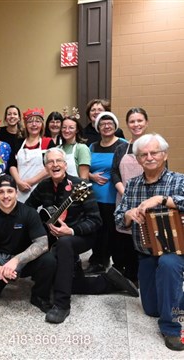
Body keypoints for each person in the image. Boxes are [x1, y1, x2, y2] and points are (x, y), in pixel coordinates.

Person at [25, 148, 138, 324]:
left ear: (65, 164)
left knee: (65, 244)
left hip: (81, 236)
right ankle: (108, 282)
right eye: (50, 162)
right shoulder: (43, 186)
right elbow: (29, 209)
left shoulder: (80, 186)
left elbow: (96, 220)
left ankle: (62, 305)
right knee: (65, 279)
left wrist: (71, 231)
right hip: (54, 237)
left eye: (58, 161)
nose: (55, 165)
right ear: (46, 167)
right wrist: (40, 227)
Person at [114, 133, 184, 351]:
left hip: (174, 251)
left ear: (164, 155)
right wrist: (129, 214)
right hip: (145, 251)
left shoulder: (178, 179)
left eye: (154, 152)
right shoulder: (132, 184)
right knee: (151, 309)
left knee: (168, 265)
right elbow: (118, 218)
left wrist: (161, 200)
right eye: (144, 154)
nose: (150, 157)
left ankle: (171, 328)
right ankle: (175, 301)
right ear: (138, 159)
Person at [0, 175, 56, 313]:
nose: (5, 196)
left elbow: (42, 243)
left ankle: (39, 296)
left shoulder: (29, 213)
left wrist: (16, 260)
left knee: (49, 261)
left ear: (16, 193)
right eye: (1, 192)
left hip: (24, 258)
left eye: (9, 191)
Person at [111, 108, 150, 283]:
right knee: (124, 239)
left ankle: (145, 276)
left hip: (147, 200)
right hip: (124, 198)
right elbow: (114, 173)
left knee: (145, 237)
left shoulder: (153, 146)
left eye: (139, 120)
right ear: (127, 125)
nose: (136, 124)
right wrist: (125, 192)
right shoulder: (121, 148)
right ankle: (129, 277)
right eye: (132, 121)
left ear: (146, 122)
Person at [86, 112, 127, 274]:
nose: (106, 126)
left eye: (109, 123)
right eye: (102, 124)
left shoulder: (123, 145)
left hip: (114, 195)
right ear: (98, 128)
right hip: (95, 197)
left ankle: (119, 265)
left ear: (115, 126)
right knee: (98, 231)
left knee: (115, 232)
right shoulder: (92, 146)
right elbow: (85, 168)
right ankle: (98, 261)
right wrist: (91, 176)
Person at [9, 108, 55, 203]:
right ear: (25, 125)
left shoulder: (48, 142)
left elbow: (51, 166)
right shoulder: (18, 143)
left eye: (38, 121)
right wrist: (18, 182)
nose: (34, 124)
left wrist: (30, 182)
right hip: (20, 190)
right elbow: (12, 164)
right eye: (30, 122)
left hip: (42, 189)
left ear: (42, 125)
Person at [58, 107, 91, 179]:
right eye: (64, 127)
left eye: (71, 128)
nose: (67, 130)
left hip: (76, 188)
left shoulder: (82, 148)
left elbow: (84, 179)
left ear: (77, 130)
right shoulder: (57, 149)